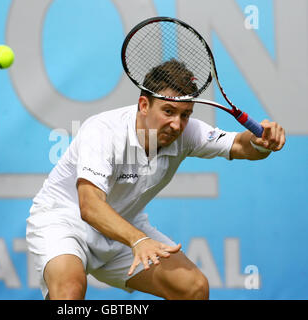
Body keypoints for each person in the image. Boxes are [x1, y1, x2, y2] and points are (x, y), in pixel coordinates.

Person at [26, 60, 286, 300]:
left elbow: (240, 146)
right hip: (63, 222)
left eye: (185, 114)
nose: (177, 124)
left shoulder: (188, 131)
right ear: (143, 105)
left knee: (194, 288)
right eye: (169, 111)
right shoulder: (103, 131)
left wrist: (261, 142)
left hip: (124, 225)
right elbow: (90, 206)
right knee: (69, 291)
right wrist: (138, 240)